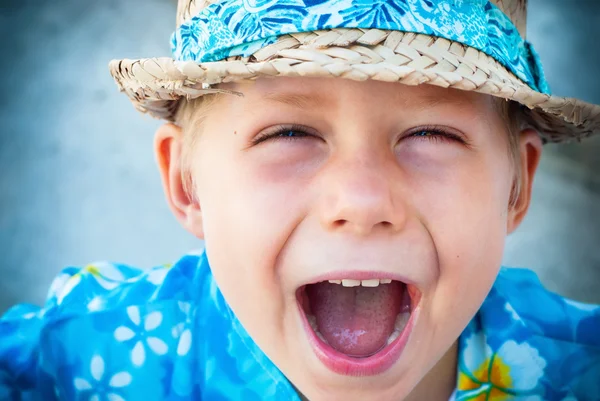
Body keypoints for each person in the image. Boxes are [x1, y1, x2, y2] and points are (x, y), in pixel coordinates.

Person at [1, 0, 599, 400]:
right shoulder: (85, 358)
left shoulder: (578, 370)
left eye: (431, 134)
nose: (362, 200)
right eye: (289, 133)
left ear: (517, 185)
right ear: (186, 182)